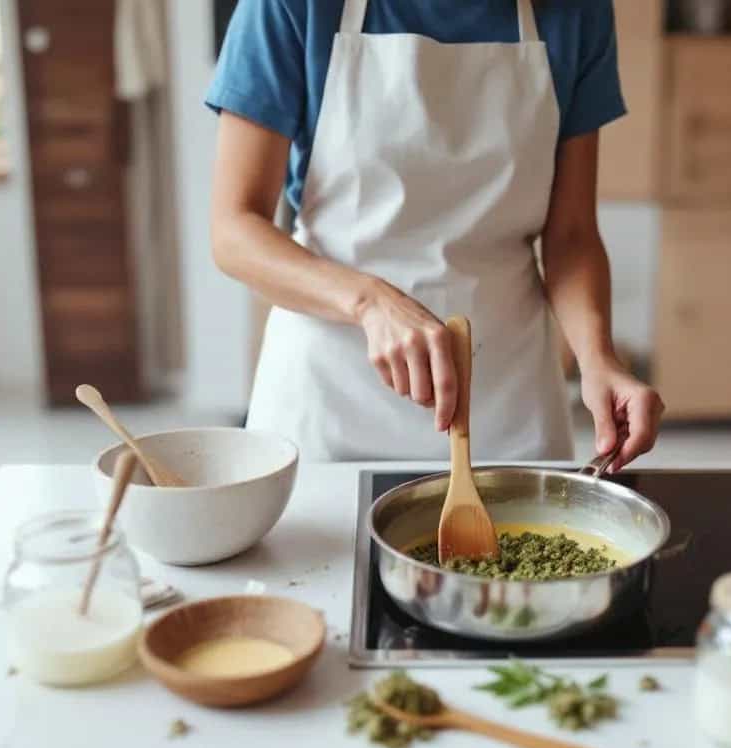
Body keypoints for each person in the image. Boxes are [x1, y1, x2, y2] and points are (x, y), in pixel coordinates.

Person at [206, 0, 663, 470]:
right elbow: (235, 228)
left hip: (506, 403)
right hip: (329, 400)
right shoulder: (290, 6)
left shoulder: (576, 12)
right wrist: (369, 302)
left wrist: (598, 358)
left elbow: (570, 233)